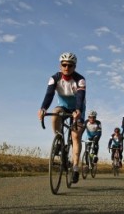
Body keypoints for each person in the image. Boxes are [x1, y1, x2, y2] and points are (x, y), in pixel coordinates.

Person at [38, 52, 86, 184]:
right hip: (63, 106)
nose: (67, 67)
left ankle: (75, 167)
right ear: (60, 65)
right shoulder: (54, 78)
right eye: (64, 65)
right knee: (55, 113)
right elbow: (49, 95)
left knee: (75, 136)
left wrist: (78, 111)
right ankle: (59, 140)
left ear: (74, 67)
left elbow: (80, 98)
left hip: (78, 108)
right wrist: (43, 109)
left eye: (70, 65)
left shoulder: (80, 80)